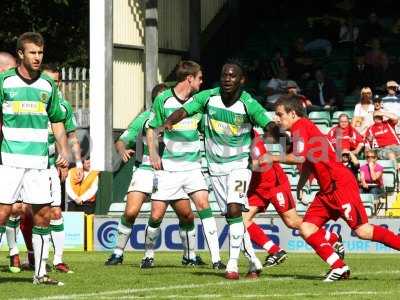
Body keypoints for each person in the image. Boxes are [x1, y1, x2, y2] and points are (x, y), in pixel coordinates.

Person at [264, 94, 400, 282]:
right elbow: (309, 161)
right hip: (327, 190)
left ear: (293, 113)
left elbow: (299, 157)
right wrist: (302, 183)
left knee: (363, 231)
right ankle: (339, 267)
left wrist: (272, 157)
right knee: (306, 227)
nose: (277, 119)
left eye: (280, 114)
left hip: (340, 185)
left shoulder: (300, 126)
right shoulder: (303, 128)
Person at [163, 60, 275, 280]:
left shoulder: (247, 103)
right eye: (224, 75)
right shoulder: (208, 97)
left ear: (241, 80)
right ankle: (253, 260)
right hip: (215, 168)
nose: (227, 79)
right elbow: (184, 110)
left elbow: (267, 124)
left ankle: (231, 265)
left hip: (240, 166)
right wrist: (168, 122)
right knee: (232, 217)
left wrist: (278, 134)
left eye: (232, 76)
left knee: (234, 209)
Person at [0, 32, 69, 286]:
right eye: (32, 52)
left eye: (40, 53)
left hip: (39, 163)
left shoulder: (48, 86)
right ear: (20, 54)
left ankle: (40, 273)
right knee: (3, 212)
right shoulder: (4, 82)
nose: (38, 57)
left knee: (43, 215)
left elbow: (58, 121)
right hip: (9, 160)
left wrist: (64, 150)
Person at [145, 61, 224, 269]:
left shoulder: (198, 102)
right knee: (155, 216)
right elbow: (151, 129)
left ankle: (216, 259)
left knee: (204, 207)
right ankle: (148, 255)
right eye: (199, 78)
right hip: (169, 169)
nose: (201, 81)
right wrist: (153, 153)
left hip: (193, 168)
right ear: (189, 78)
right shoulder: (163, 99)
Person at [244, 129, 344, 268]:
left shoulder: (249, 135)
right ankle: (275, 251)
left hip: (273, 183)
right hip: (257, 186)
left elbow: (260, 162)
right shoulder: (234, 137)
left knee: (292, 222)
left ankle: (332, 238)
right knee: (243, 220)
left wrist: (235, 166)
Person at [104, 83, 167, 266]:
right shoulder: (145, 118)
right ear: (154, 101)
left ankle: (150, 255)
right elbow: (122, 140)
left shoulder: (178, 117)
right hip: (144, 169)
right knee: (131, 212)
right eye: (161, 99)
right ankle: (117, 253)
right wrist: (122, 149)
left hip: (168, 173)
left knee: (164, 216)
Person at [42, 63, 83, 273]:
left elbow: (71, 137)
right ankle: (16, 254)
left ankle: (57, 260)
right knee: (16, 212)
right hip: (26, 165)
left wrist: (75, 161)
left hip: (50, 168)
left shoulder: (64, 106)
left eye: (57, 81)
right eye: (50, 81)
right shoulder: (32, 102)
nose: (55, 85)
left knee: (56, 213)